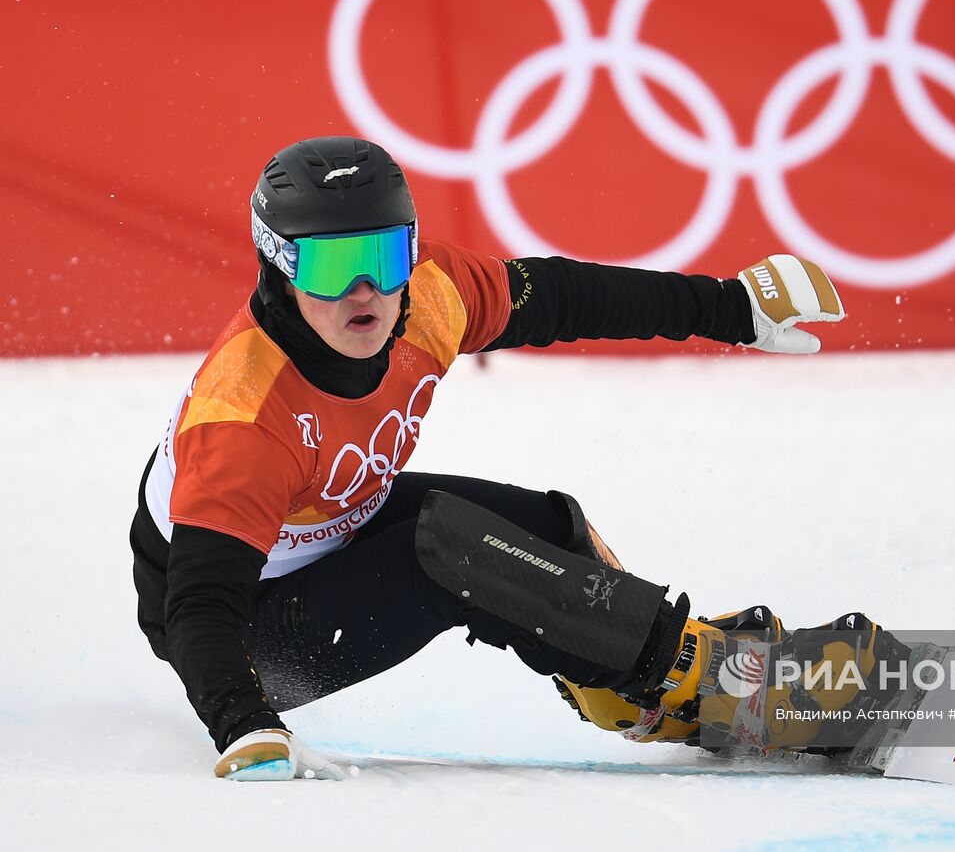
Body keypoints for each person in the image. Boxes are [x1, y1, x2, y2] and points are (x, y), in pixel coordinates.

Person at [129, 135, 895, 781]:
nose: (366, 290)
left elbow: (565, 297)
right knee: (449, 553)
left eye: (386, 255)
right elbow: (195, 609)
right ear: (279, 267)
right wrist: (246, 724)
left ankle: (661, 693)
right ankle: (715, 673)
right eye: (333, 267)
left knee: (545, 530)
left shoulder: (428, 296)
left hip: (326, 525)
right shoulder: (244, 419)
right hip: (242, 632)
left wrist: (728, 306)